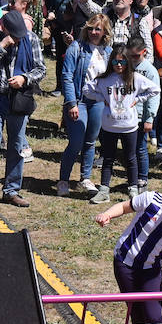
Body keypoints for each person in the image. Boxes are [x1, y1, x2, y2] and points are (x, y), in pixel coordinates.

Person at [93, 183, 162, 324]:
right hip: (125, 262)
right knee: (136, 311)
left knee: (154, 317)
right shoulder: (151, 200)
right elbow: (124, 207)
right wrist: (107, 214)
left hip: (151, 269)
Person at [0, 8, 45, 210]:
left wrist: (25, 78)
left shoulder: (31, 38)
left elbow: (41, 69)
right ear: (4, 29)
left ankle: (12, 190)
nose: (18, 38)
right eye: (13, 34)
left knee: (16, 146)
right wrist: (3, 46)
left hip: (19, 98)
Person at [87, 43, 161, 205]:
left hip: (130, 126)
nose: (119, 65)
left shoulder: (135, 78)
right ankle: (104, 190)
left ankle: (133, 190)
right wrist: (102, 99)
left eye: (122, 62)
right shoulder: (105, 79)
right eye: (115, 62)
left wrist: (138, 99)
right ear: (110, 62)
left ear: (127, 62)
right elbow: (87, 89)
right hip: (109, 126)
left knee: (130, 158)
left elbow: (155, 89)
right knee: (108, 158)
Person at [58, 14, 113, 197]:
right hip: (79, 100)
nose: (94, 32)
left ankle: (85, 177)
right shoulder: (77, 48)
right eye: (91, 28)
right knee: (76, 142)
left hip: (97, 101)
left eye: (98, 29)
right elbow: (67, 75)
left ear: (105, 31)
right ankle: (64, 179)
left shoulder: (108, 51)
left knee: (91, 141)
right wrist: (71, 103)